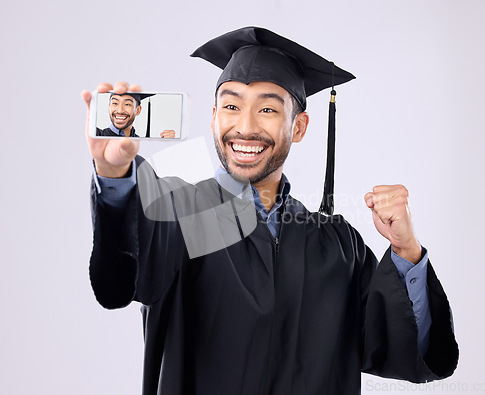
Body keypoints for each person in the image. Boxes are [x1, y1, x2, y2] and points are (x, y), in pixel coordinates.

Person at [82, 27, 458, 394]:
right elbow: (118, 281)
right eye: (231, 106)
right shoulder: (180, 214)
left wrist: (407, 251)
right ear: (214, 117)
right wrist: (115, 176)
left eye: (267, 109)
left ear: (299, 127)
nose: (244, 127)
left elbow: (405, 352)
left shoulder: (337, 246)